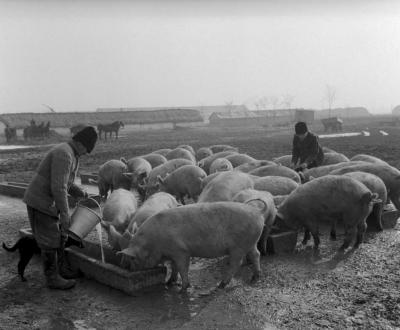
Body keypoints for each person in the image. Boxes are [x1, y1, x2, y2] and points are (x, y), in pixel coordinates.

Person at [23, 126, 98, 290]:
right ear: (79, 142)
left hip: (48, 201)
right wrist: (65, 213)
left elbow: (66, 182)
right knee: (50, 239)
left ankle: (61, 269)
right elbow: (59, 187)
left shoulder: (72, 154)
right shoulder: (64, 154)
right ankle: (52, 278)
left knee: (61, 236)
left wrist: (79, 192)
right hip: (40, 201)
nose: (86, 152)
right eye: (86, 148)